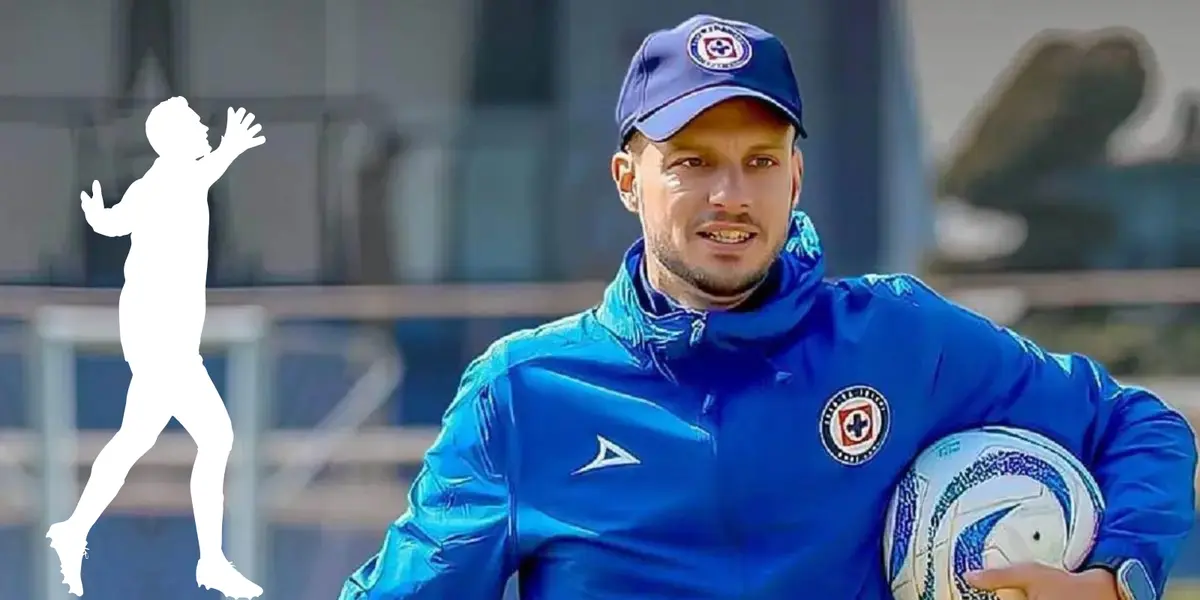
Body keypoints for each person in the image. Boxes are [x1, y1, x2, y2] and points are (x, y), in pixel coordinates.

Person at [339, 15, 1196, 600]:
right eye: (692, 161)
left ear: (796, 176)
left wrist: (1114, 579)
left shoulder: (900, 340)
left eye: (759, 160)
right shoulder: (524, 395)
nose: (731, 195)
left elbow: (1140, 427)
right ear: (628, 179)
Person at [47, 97, 265, 599]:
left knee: (134, 440)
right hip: (162, 341)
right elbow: (203, 172)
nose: (203, 128)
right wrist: (231, 147)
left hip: (163, 340)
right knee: (216, 437)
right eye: (194, 124)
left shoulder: (151, 185)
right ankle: (211, 561)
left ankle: (74, 529)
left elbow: (115, 223)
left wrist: (98, 216)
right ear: (173, 139)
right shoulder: (174, 180)